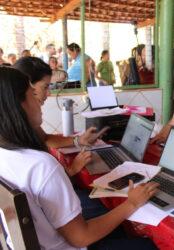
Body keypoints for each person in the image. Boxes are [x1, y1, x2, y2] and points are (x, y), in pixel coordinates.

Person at [0, 67, 159, 249]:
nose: (40, 100)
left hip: (41, 238)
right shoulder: (41, 166)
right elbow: (81, 238)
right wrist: (133, 202)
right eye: (32, 94)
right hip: (69, 244)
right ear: (19, 106)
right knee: (150, 244)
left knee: (108, 213)